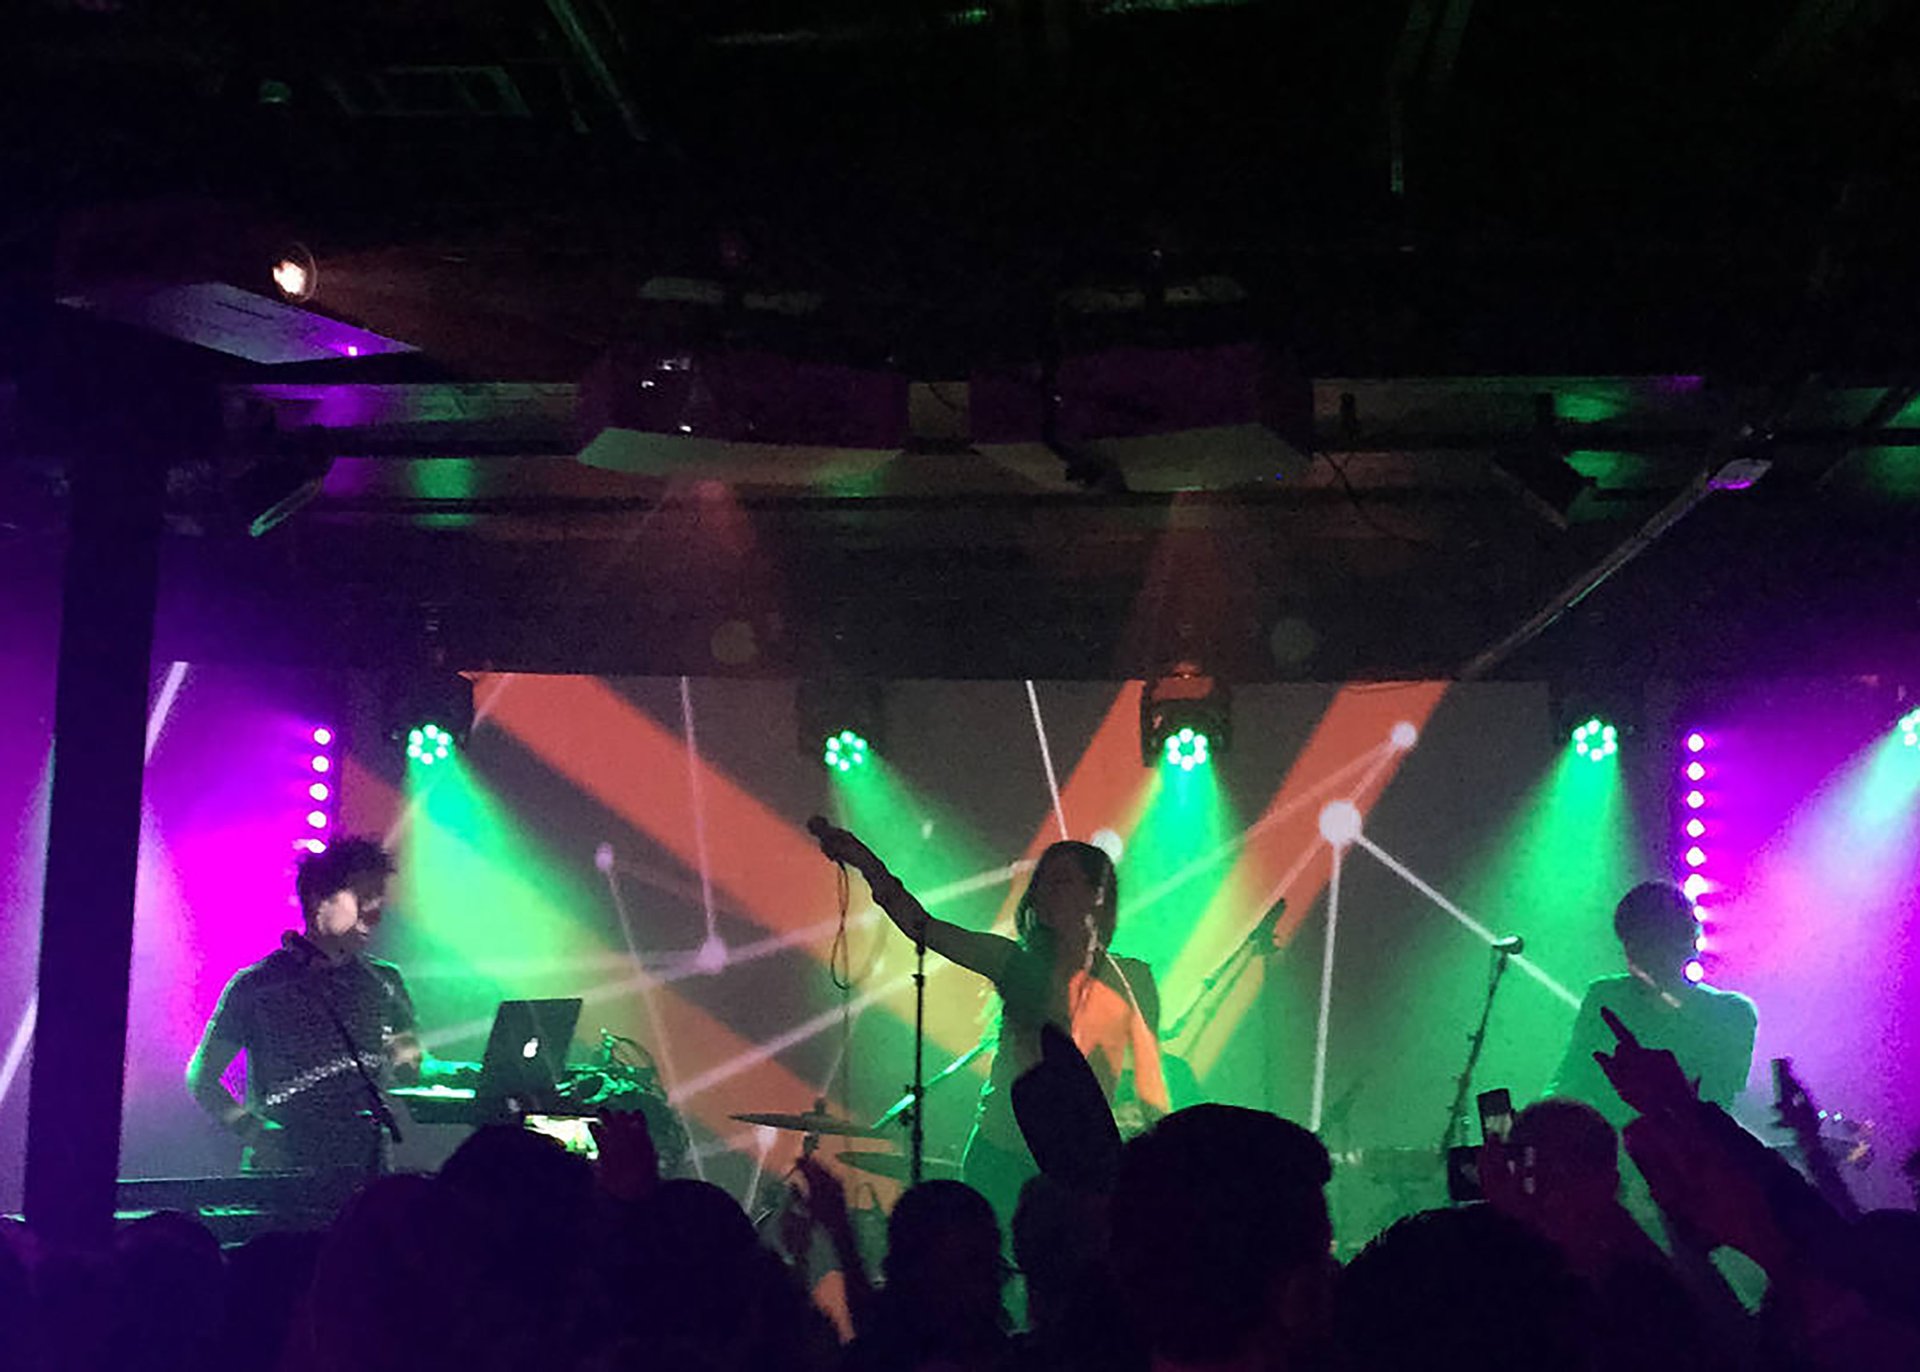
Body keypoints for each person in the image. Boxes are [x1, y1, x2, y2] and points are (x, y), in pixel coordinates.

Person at [810, 824, 1169, 1223]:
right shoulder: (1013, 961)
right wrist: (866, 862)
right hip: (1000, 1155)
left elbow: (1150, 1084)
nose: (1046, 891)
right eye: (1043, 881)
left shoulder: (1132, 980)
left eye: (1062, 881)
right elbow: (922, 927)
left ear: (1097, 894)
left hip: (1080, 1161)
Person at [186, 836, 422, 1174]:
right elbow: (202, 1078)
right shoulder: (256, 985)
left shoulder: (385, 981)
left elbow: (409, 1067)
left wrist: (456, 1071)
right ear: (318, 901)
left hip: (364, 1166)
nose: (375, 914)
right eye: (362, 899)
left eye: (378, 899)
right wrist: (256, 1132)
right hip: (283, 1169)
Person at [1549, 881, 1757, 1128]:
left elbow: (1716, 1104)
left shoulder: (1730, 1014)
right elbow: (1571, 1077)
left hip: (1687, 1160)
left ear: (1686, 940)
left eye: (1649, 941)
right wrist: (1540, 1118)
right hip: (1608, 1156)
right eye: (1631, 943)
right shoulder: (1604, 996)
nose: (1634, 955)